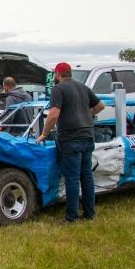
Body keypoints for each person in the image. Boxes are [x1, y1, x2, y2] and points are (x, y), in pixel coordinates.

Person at [36, 62, 105, 222]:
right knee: (86, 176)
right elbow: (100, 105)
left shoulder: (58, 89)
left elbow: (53, 115)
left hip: (70, 139)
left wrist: (44, 134)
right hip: (88, 136)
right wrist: (87, 114)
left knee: (72, 178)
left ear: (57, 74)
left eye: (55, 74)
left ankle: (71, 217)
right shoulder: (83, 87)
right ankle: (89, 214)